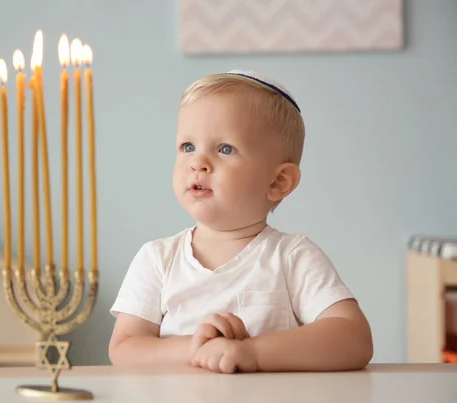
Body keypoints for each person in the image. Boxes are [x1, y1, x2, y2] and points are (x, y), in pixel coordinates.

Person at [108, 70, 373, 374]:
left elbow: (353, 339)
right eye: (187, 147)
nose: (198, 162)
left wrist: (251, 352)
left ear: (278, 181)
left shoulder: (291, 257)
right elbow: (125, 348)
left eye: (225, 149)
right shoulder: (157, 259)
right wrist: (196, 347)